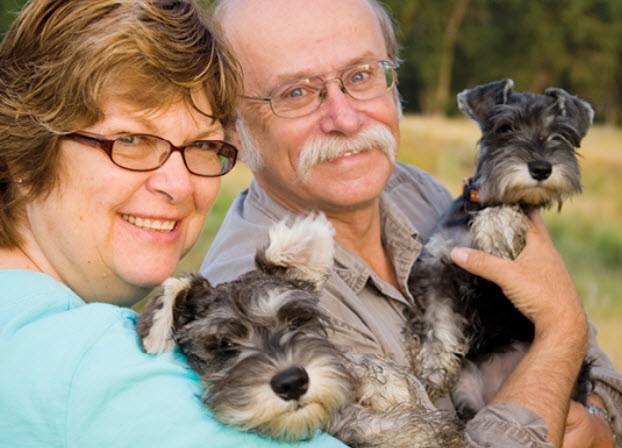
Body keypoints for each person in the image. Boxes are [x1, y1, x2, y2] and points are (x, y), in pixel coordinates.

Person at [200, 0, 622, 446]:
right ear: (231, 130)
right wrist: (562, 332)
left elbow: (603, 378)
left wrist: (595, 420)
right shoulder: (254, 303)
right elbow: (566, 328)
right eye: (295, 93)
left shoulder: (408, 187)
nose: (345, 119)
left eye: (361, 75)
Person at [0, 0, 347, 447]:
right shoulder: (100, 370)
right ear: (24, 157)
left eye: (203, 146)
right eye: (131, 140)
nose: (179, 186)